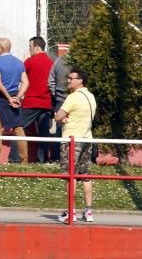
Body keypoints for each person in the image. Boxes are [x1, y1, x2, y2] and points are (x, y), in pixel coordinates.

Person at [56, 67, 97, 223]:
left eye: (71, 78)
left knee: (70, 176)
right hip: (87, 139)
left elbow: (59, 115)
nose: (68, 80)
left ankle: (71, 211)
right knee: (85, 176)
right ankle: (88, 211)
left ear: (80, 81)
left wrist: (62, 117)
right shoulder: (91, 97)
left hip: (72, 140)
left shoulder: (73, 97)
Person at [0, 37, 28, 164]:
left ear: (0, 48)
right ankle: (24, 161)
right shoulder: (19, 62)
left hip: (0, 99)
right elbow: (26, 82)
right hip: (14, 98)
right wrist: (17, 96)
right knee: (18, 128)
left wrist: (8, 97)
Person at [20, 36, 54, 163]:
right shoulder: (51, 63)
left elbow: (21, 74)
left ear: (36, 47)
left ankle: (15, 157)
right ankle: (43, 159)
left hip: (31, 102)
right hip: (46, 102)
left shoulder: (30, 61)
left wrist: (24, 60)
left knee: (19, 127)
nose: (29, 50)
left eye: (30, 47)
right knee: (44, 133)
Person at [47, 45, 71, 162]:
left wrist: (56, 94)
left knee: (60, 130)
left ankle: (57, 157)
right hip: (76, 100)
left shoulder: (58, 61)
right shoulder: (79, 61)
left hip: (60, 100)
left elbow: (51, 81)